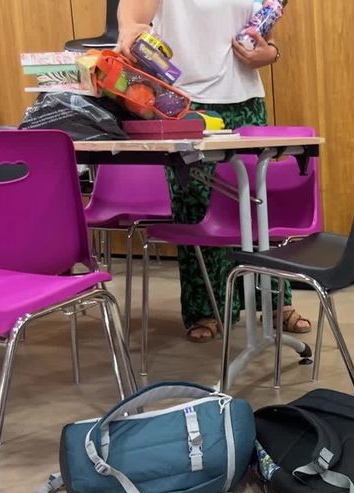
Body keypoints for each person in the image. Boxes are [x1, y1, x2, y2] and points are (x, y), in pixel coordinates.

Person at [117, 0, 311, 342]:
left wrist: (270, 54)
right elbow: (132, 18)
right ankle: (206, 309)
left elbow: (264, 34)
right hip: (185, 103)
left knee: (258, 205)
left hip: (246, 100)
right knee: (196, 208)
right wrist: (130, 32)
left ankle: (275, 301)